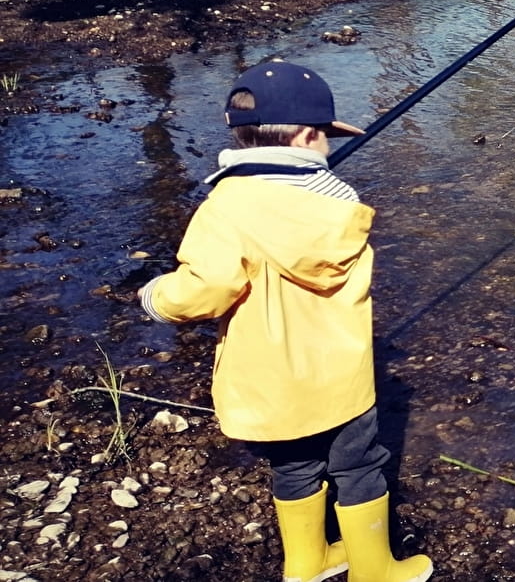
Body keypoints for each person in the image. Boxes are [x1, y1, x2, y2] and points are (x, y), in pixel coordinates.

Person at [139, 59, 431, 582]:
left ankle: (306, 562)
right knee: (359, 466)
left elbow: (206, 289)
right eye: (324, 137)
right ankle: (374, 569)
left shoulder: (224, 206)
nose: (327, 147)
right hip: (342, 378)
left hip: (272, 385)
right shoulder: (341, 204)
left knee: (293, 467)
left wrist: (157, 297)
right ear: (305, 137)